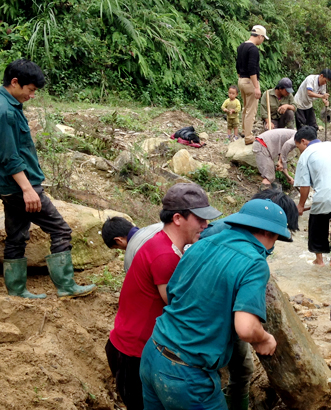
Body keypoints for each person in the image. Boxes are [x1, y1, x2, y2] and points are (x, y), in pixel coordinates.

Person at [140, 199, 290, 410]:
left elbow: (174, 293)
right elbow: (246, 328)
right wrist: (264, 339)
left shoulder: (201, 244)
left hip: (153, 354)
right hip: (186, 374)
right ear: (269, 234)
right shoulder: (255, 263)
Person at [106, 183, 221, 410]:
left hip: (130, 346)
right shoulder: (164, 256)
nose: (205, 225)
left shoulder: (161, 242)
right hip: (134, 353)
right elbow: (180, 307)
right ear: (178, 218)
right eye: (200, 219)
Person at [1, 59, 96, 300]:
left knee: (17, 235)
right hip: (20, 186)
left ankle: (17, 290)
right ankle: (66, 285)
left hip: (10, 187)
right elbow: (10, 157)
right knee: (61, 229)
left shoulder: (7, 104)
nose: (32, 95)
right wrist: (28, 189)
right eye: (30, 90)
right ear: (14, 83)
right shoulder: (5, 111)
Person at [199, 188, 298, 410]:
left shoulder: (226, 234)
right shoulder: (219, 239)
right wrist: (263, 339)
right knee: (230, 369)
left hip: (166, 348)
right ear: (267, 228)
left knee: (241, 369)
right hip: (206, 336)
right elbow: (244, 327)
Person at [293, 126, 331, 266]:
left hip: (323, 198)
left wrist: (300, 205)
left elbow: (305, 186)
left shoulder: (306, 154)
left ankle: (319, 260)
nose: (299, 150)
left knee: (317, 227)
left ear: (303, 141)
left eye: (298, 147)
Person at [236, 25, 268, 145]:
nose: (263, 40)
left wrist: (241, 78)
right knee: (251, 110)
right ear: (259, 36)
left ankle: (245, 130)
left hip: (241, 80)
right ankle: (248, 136)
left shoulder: (241, 46)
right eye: (263, 38)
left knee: (245, 107)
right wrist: (256, 87)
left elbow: (237, 66)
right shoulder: (253, 49)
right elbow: (252, 69)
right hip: (250, 81)